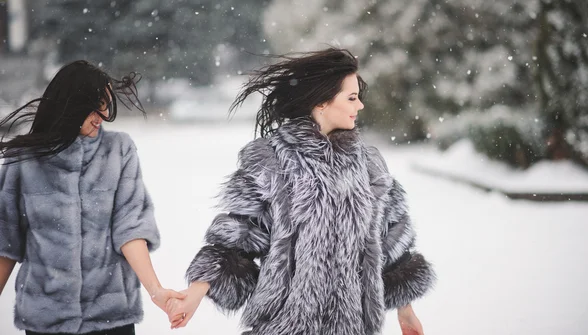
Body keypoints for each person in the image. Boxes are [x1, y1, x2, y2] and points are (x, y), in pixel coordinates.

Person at [167, 48, 435, 335]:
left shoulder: (370, 166)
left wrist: (406, 312)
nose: (360, 107)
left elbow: (393, 244)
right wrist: (195, 293)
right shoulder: (269, 161)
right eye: (352, 98)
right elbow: (234, 240)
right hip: (283, 326)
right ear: (321, 102)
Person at [0, 60, 184, 335]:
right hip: (46, 321)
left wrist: (155, 290)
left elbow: (130, 228)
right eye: (94, 107)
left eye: (105, 106)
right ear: (70, 105)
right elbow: (6, 243)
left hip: (111, 319)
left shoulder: (118, 151)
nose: (102, 116)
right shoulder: (23, 161)